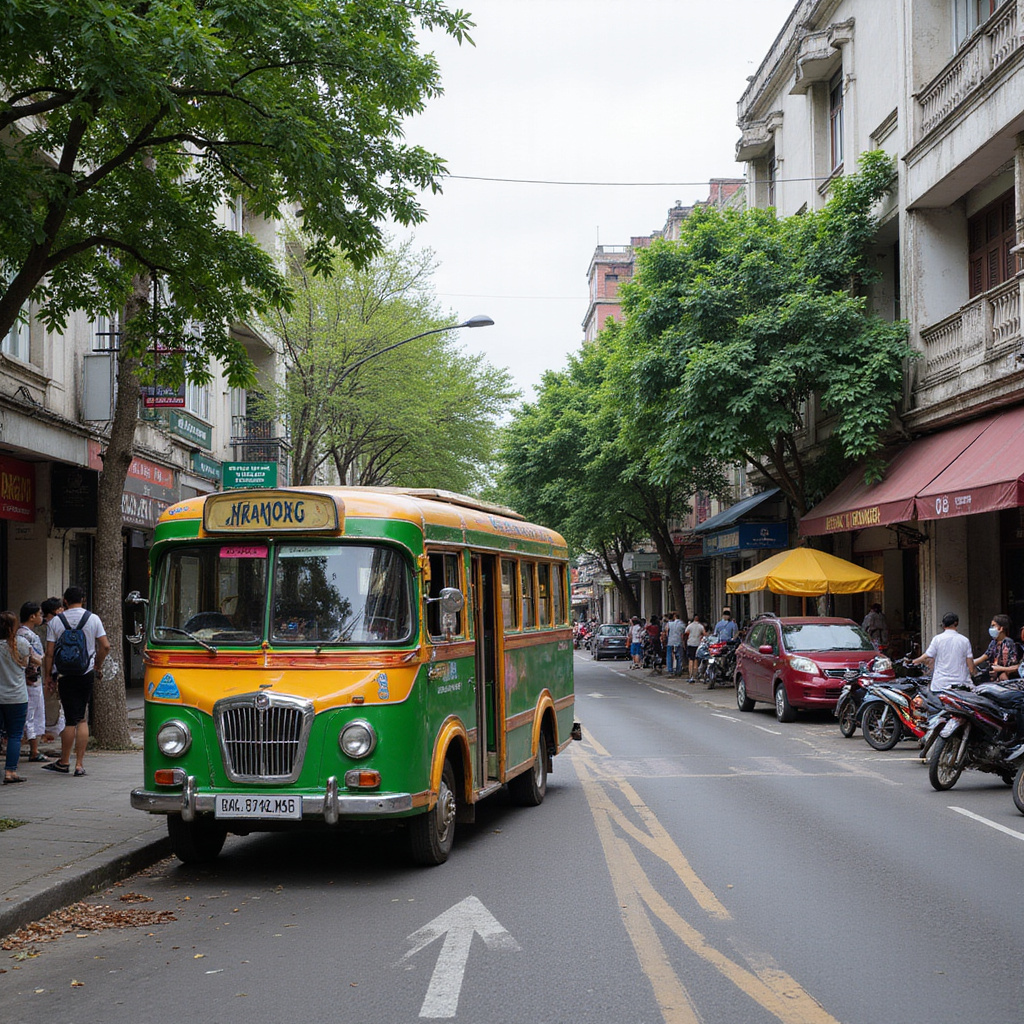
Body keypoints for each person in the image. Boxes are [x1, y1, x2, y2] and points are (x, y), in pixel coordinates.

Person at [42, 586, 110, 777]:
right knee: (81, 718)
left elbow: (49, 653)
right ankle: (79, 764)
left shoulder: (56, 621)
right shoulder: (93, 619)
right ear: (84, 599)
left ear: (64, 601)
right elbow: (105, 645)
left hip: (64, 674)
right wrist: (97, 664)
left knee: (70, 718)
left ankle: (64, 761)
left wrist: (49, 676)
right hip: (85, 672)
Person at [0, 610, 33, 783]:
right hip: (17, 696)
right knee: (14, 734)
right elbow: (28, 663)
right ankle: (10, 771)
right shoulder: (21, 643)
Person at [912, 612, 975, 692]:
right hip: (960, 684)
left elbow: (927, 655)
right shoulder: (964, 640)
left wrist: (914, 661)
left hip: (940, 685)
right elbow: (971, 667)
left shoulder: (937, 639)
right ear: (956, 623)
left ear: (943, 625)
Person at [18, 601, 49, 763]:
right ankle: (34, 750)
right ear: (32, 616)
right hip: (32, 680)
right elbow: (34, 660)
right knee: (32, 714)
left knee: (31, 713)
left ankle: (33, 748)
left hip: (25, 680)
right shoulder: (28, 636)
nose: (41, 618)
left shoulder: (20, 634)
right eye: (39, 615)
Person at [39, 596, 66, 741]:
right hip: (74, 668)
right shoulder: (80, 620)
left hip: (57, 669)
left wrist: (48, 674)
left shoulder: (53, 624)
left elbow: (49, 653)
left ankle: (58, 730)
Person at [972, 613, 1019, 682]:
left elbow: (1015, 667)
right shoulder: (993, 643)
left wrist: (1001, 670)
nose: (991, 628)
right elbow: (984, 657)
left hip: (1007, 681)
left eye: (993, 626)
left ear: (1001, 628)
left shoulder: (1009, 643)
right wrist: (968, 664)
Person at [684, 614, 706, 683]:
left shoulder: (689, 626)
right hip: (697, 644)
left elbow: (686, 633)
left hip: (690, 643)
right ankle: (695, 674)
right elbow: (704, 634)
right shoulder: (700, 626)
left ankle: (690, 675)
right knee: (696, 660)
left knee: (691, 659)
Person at [664, 612, 687, 678]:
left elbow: (666, 631)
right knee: (679, 656)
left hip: (670, 641)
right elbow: (683, 634)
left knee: (669, 656)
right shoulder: (682, 624)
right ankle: (678, 670)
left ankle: (670, 670)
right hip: (678, 641)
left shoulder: (669, 624)